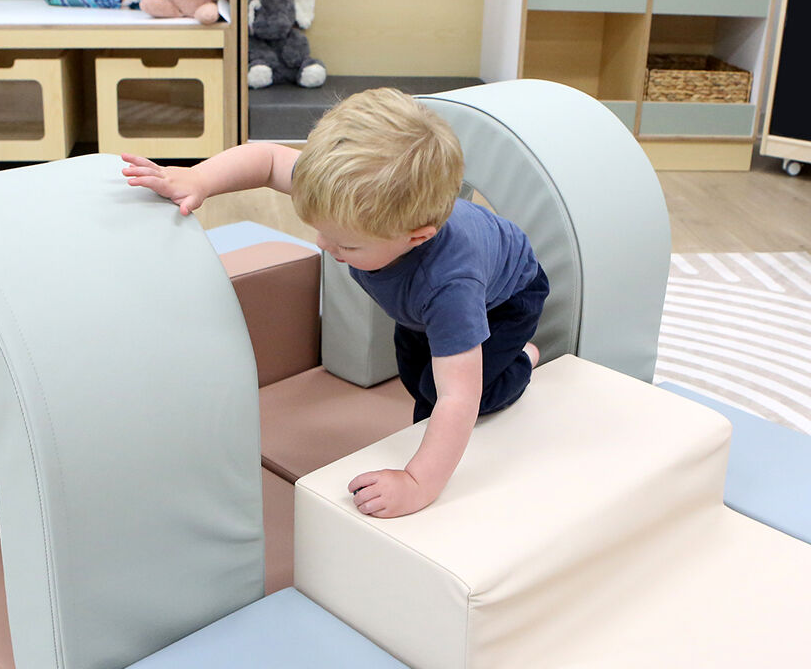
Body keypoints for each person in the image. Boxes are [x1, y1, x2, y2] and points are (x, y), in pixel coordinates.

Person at [122, 88, 549, 518]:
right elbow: (267, 160)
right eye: (322, 231)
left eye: (346, 244)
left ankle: (522, 360)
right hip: (420, 306)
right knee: (413, 372)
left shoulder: (451, 287)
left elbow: (459, 398)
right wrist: (199, 179)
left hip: (505, 301)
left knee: (447, 393)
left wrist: (417, 482)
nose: (323, 245)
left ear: (416, 237)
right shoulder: (347, 195)